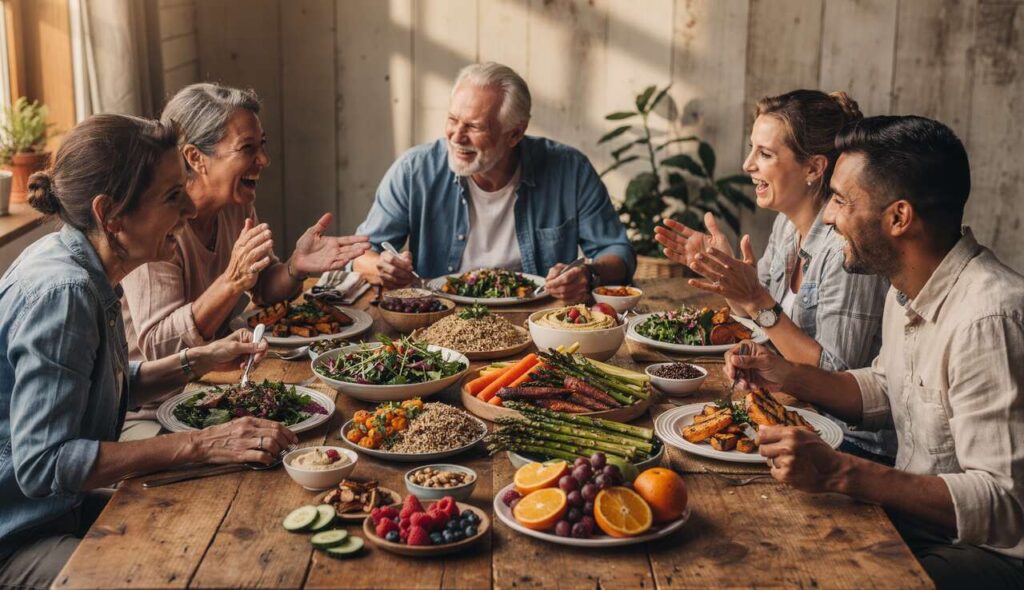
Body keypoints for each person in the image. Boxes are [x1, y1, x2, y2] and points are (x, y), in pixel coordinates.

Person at [0, 114, 299, 588]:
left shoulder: (84, 265)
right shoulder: (65, 293)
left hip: (58, 511)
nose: (186, 211)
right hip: (18, 537)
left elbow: (105, 384)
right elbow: (43, 463)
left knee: (216, 537)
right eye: (170, 197)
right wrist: (202, 442)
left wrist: (199, 357)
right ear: (110, 214)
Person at [725, 115, 1024, 588]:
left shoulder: (988, 318)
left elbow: (1003, 501)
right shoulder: (905, 286)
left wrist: (841, 471)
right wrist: (785, 374)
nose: (826, 216)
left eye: (841, 201)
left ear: (898, 218)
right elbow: (885, 389)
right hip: (916, 521)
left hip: (988, 555)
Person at [119, 83, 370, 439]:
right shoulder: (157, 223)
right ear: (194, 157)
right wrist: (231, 281)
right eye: (247, 149)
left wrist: (295, 267)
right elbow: (161, 346)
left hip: (216, 381)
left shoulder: (235, 205)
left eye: (262, 145)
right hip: (150, 410)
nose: (263, 160)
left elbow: (264, 288)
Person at [655, 90, 892, 460]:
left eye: (764, 154)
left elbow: (836, 378)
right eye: (752, 150)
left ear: (813, 169)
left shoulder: (847, 249)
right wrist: (728, 278)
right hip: (795, 416)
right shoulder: (786, 226)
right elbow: (760, 323)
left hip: (851, 446)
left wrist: (756, 299)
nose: (748, 164)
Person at [352, 62, 635, 302]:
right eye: (453, 119)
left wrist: (589, 273)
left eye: (474, 127)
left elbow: (617, 253)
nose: (456, 136)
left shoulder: (570, 169)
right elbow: (360, 255)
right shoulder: (415, 170)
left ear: (515, 134)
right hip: (439, 319)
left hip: (539, 320)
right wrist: (382, 267)